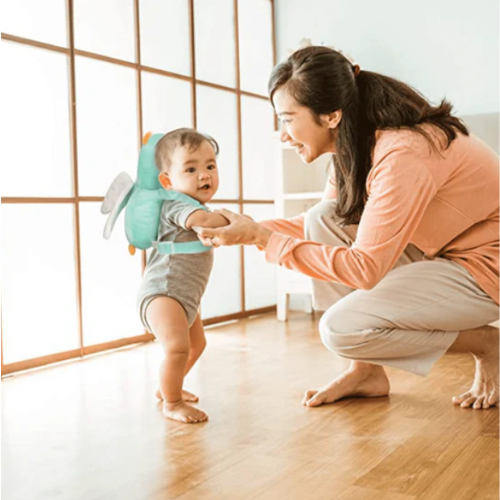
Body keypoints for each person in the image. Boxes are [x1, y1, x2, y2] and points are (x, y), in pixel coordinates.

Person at [194, 46, 500, 410]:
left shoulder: (404, 152)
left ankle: (488, 344)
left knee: (342, 330)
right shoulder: (356, 146)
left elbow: (365, 268)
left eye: (288, 119)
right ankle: (366, 372)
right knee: (322, 216)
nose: (283, 135)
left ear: (331, 115)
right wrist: (243, 228)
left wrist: (261, 238)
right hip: (444, 254)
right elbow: (320, 226)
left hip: (486, 267)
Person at [137, 128, 228, 424]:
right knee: (177, 348)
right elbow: (201, 223)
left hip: (184, 296)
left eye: (210, 166)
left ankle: (168, 387)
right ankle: (172, 402)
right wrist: (232, 219)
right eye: (191, 168)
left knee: (196, 345)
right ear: (168, 181)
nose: (204, 175)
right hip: (164, 292)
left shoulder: (196, 204)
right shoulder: (178, 203)